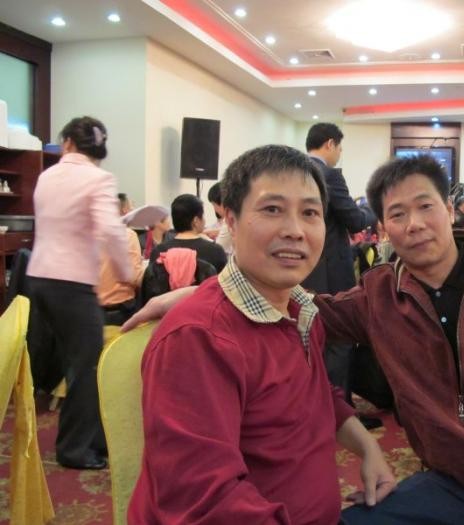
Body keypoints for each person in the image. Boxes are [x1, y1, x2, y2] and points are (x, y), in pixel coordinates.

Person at [127, 155, 464, 524]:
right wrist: (204, 292)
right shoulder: (378, 297)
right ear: (383, 228)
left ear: (450, 209)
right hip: (453, 486)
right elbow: (295, 305)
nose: (415, 224)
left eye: (425, 206)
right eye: (397, 214)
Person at [128, 145, 395, 523]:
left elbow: (316, 396)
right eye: (272, 209)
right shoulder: (199, 338)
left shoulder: (300, 310)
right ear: (231, 220)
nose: (295, 231)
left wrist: (368, 447)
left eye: (310, 213)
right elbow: (205, 503)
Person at [27, 116, 133, 470]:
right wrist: (126, 274)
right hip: (72, 283)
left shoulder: (46, 176)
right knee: (88, 367)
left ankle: (92, 439)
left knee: (72, 363)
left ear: (68, 143)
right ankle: (76, 449)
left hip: (38, 277)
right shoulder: (98, 179)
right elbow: (110, 231)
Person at [302, 122, 377, 415]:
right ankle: (339, 412)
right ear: (330, 144)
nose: (340, 154)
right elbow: (355, 220)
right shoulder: (329, 175)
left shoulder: (294, 170)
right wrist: (370, 209)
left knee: (311, 340)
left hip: (304, 270)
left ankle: (315, 404)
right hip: (330, 272)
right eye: (340, 147)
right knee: (339, 339)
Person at [149, 193, 228, 272]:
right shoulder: (215, 251)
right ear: (196, 221)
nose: (204, 220)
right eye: (203, 215)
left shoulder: (158, 251)